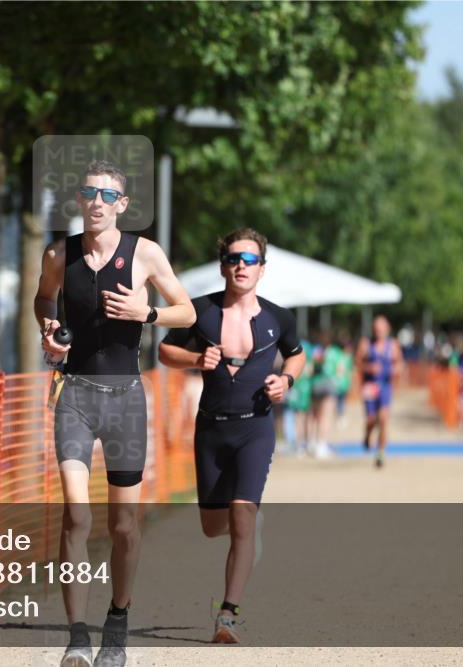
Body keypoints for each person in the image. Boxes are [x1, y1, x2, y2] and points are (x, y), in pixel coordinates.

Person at [36, 160, 196, 667]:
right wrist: (50, 333)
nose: (98, 202)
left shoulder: (145, 253)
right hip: (76, 397)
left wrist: (146, 314)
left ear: (122, 206)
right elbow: (43, 298)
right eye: (90, 193)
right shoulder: (59, 254)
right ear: (79, 200)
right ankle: (77, 639)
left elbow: (186, 311)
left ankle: (118, 622)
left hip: (126, 399)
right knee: (77, 517)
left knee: (125, 524)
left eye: (108, 196)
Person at [158, 227, 305, 644]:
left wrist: (287, 382)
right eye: (234, 259)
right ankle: (246, 530)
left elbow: (296, 355)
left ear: (262, 267)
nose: (241, 266)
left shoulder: (279, 317)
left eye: (250, 260)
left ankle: (228, 614)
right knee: (211, 527)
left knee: (242, 513)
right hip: (211, 429)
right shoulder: (198, 312)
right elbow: (164, 352)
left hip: (255, 428)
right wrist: (194, 358)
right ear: (224, 265)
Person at [355, 315, 404, 468]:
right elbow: (357, 364)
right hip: (370, 386)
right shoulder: (365, 344)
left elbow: (400, 363)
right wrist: (368, 368)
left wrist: (397, 369)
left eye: (381, 329)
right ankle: (368, 434)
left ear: (387, 330)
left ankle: (380, 453)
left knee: (383, 419)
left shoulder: (394, 345)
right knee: (371, 419)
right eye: (376, 329)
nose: (379, 332)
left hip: (385, 385)